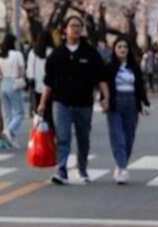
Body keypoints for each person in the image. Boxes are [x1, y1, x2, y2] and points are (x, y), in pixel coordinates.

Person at [36, 15, 109, 185]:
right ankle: (61, 169)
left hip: (84, 103)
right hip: (61, 103)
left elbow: (101, 77)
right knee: (62, 137)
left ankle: (82, 168)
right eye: (72, 25)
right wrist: (42, 103)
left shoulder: (90, 52)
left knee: (83, 138)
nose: (76, 29)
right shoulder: (56, 54)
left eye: (78, 26)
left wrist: (106, 96)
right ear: (65, 30)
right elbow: (48, 82)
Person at [105, 36, 150, 184]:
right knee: (117, 135)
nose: (122, 49)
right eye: (119, 47)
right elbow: (103, 86)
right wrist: (103, 99)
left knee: (129, 137)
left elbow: (140, 86)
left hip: (132, 103)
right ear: (114, 49)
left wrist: (145, 102)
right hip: (115, 103)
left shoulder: (134, 67)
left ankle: (120, 165)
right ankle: (123, 168)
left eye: (125, 47)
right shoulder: (109, 67)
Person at [0, 32, 27, 149]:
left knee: (7, 114)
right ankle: (9, 131)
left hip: (3, 83)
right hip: (14, 83)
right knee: (19, 112)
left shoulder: (0, 56)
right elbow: (21, 71)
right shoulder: (17, 54)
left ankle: (11, 141)